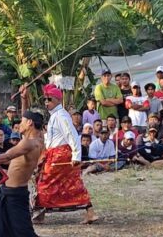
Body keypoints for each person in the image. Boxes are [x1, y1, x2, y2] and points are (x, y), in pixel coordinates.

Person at [34, 84, 97, 225]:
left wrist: (76, 156)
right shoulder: (55, 116)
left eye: (49, 99)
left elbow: (72, 135)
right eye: (45, 100)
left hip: (61, 155)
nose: (46, 103)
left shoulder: (61, 116)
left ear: (57, 99)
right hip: (54, 154)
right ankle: (90, 212)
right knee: (70, 183)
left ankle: (40, 213)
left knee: (45, 182)